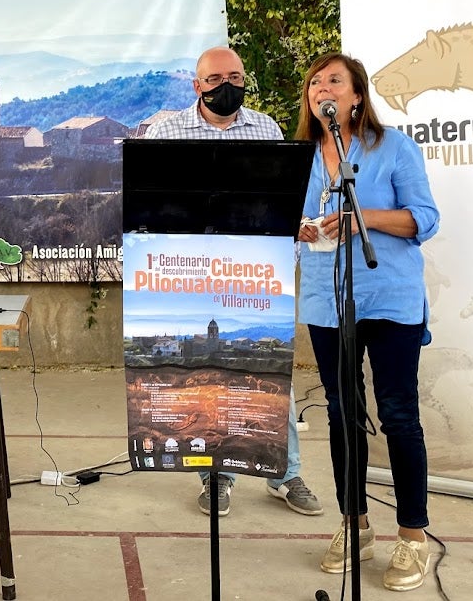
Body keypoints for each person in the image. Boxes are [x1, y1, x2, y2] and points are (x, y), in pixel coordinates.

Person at [146, 45, 323, 519]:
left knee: (266, 375)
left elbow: (281, 202)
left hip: (255, 272)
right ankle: (216, 474)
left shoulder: (267, 129)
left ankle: (284, 474)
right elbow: (153, 206)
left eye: (235, 76)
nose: (227, 85)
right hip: (194, 273)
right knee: (210, 380)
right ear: (197, 85)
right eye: (215, 78)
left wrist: (288, 250)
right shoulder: (166, 131)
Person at [294, 53, 439, 592]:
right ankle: (354, 524)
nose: (321, 87)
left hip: (391, 297)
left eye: (333, 80)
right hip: (326, 300)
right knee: (340, 411)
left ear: (356, 96)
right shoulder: (301, 157)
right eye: (314, 82)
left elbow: (424, 218)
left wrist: (366, 219)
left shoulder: (394, 147)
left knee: (399, 413)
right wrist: (303, 230)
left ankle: (413, 537)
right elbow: (290, 217)